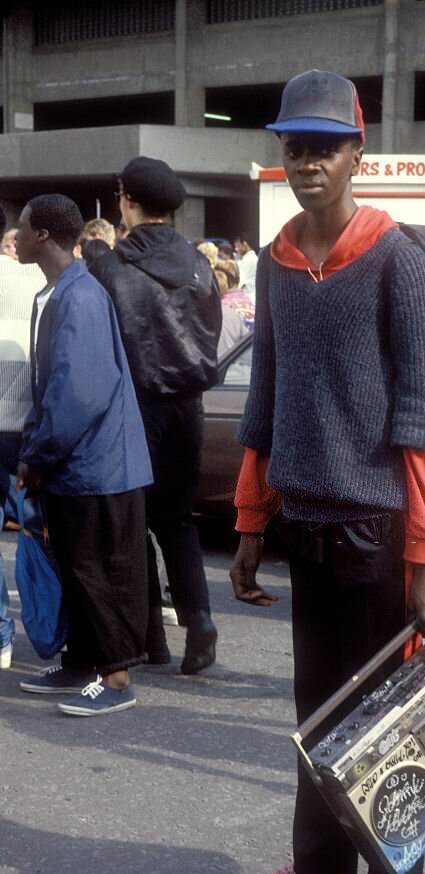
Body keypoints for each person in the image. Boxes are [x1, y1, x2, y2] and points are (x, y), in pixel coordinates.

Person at [226, 69, 425, 874]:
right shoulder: (278, 258)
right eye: (294, 145)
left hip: (380, 529)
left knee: (388, 724)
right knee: (317, 718)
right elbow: (267, 397)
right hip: (309, 525)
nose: (308, 160)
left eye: (325, 145)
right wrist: (251, 521)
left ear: (357, 153)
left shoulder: (394, 257)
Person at [15, 194, 153, 715]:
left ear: (44, 236)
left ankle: (116, 679)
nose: (17, 234)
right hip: (77, 464)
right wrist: (37, 448)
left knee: (100, 570)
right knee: (75, 566)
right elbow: (48, 385)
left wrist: (40, 453)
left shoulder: (80, 297)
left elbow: (81, 392)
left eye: (23, 227)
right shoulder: (57, 293)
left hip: (99, 466)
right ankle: (82, 663)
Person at [90, 157, 221, 675]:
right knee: (178, 521)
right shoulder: (199, 263)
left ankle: (148, 636)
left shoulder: (112, 265)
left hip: (135, 405)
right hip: (189, 405)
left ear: (127, 201)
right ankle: (200, 617)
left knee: (131, 521)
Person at [0, 205, 46, 667]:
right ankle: (50, 632)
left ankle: (0, 638)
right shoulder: (31, 280)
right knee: (39, 530)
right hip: (28, 426)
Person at [233, 231, 258, 301]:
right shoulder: (247, 258)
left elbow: (240, 282)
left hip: (248, 298)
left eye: (238, 246)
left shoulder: (249, 260)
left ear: (245, 244)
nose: (236, 250)